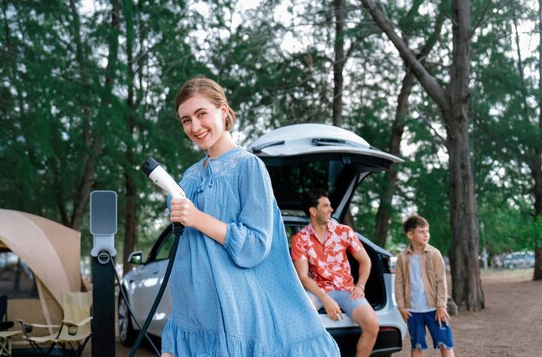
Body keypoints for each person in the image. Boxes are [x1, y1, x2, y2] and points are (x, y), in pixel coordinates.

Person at [161, 77, 339, 356]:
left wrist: (196, 218)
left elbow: (256, 244)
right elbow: (187, 249)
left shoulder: (248, 167)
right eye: (185, 120)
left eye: (201, 114)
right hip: (192, 310)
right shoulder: (189, 176)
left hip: (233, 311)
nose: (194, 127)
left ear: (223, 110)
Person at [291, 191, 379, 357]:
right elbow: (303, 276)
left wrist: (360, 285)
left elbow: (365, 261)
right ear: (313, 211)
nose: (331, 209)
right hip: (317, 290)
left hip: (347, 289)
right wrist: (325, 299)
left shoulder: (344, 231)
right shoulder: (300, 239)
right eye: (326, 205)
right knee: (298, 319)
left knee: (372, 324)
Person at [395, 214, 455, 357]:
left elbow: (441, 281)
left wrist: (441, 306)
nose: (426, 234)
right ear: (410, 234)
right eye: (422, 231)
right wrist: (401, 306)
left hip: (435, 309)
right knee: (417, 346)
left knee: (445, 343)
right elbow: (399, 283)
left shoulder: (434, 254)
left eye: (427, 231)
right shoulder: (402, 257)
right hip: (413, 311)